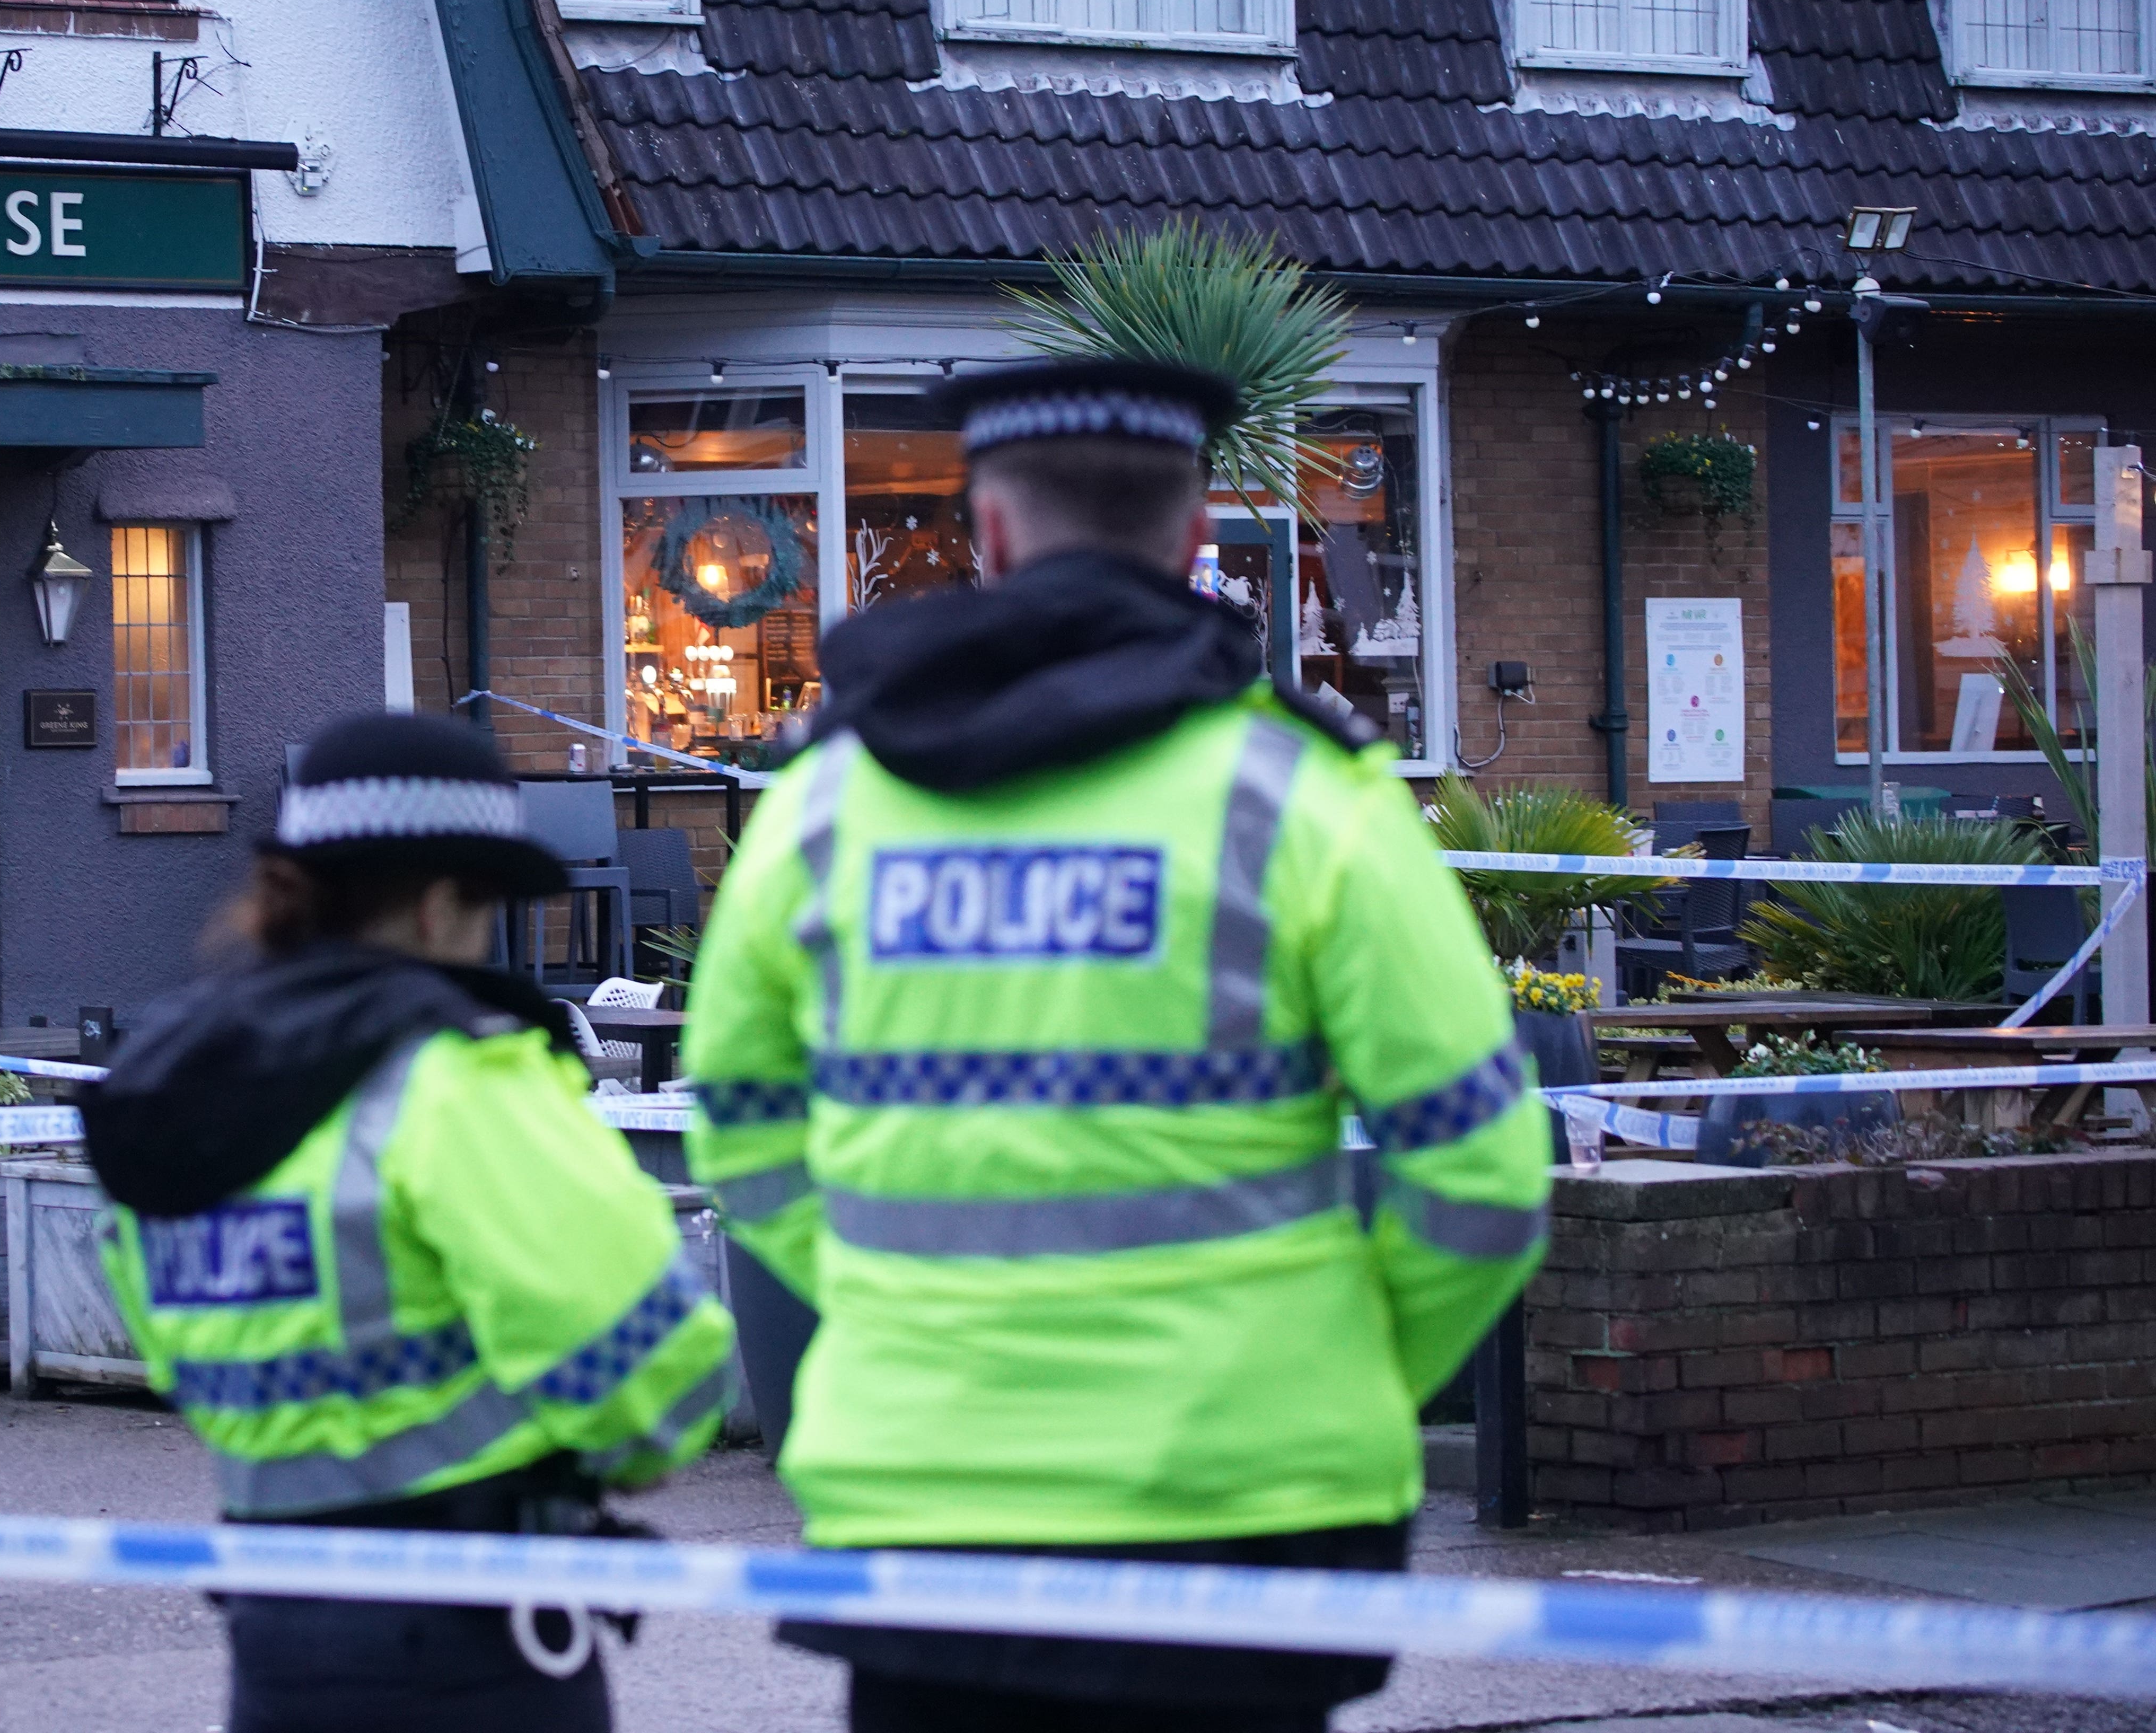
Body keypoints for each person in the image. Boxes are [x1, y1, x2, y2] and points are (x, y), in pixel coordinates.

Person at [683, 358, 1553, 1733]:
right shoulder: (1304, 800)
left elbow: (739, 1129)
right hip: (1244, 1501)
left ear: (994, 535)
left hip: (930, 1497)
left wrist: (887, 1307)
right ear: (1195, 533)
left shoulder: (826, 808)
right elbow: (1484, 1173)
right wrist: (1338, 1367)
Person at [81, 711, 738, 1733]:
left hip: (277, 1635)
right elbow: (647, 1360)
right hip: (472, 1643)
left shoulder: (181, 1082)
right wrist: (604, 1457)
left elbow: (178, 1353)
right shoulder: (457, 1079)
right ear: (439, 909)